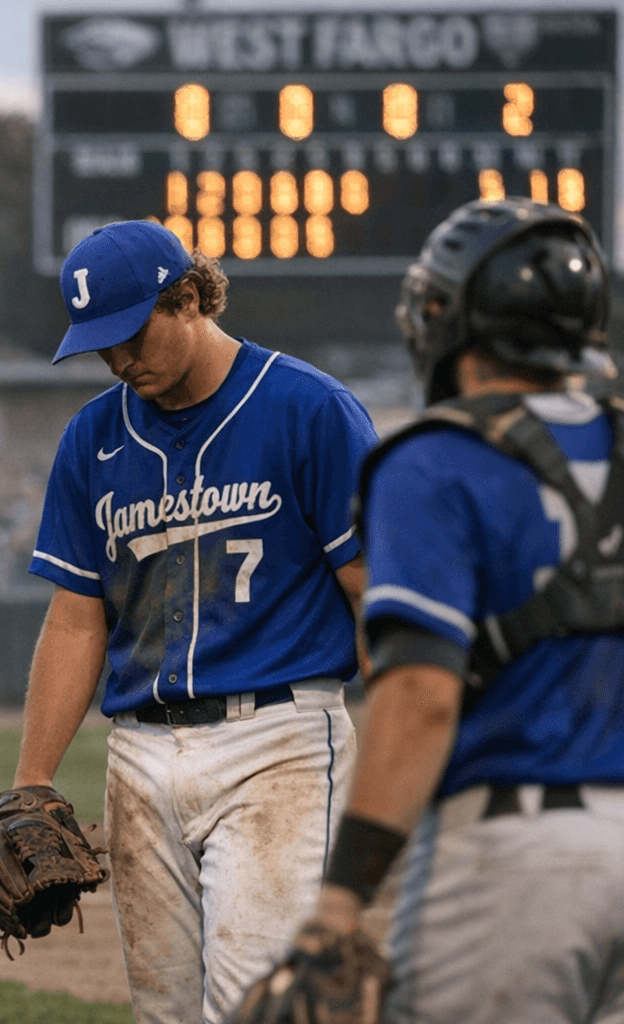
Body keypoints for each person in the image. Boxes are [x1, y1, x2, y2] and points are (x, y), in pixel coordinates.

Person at [6, 221, 377, 1023]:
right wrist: (32, 778)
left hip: (278, 743)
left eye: (129, 335)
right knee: (164, 1013)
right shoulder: (92, 441)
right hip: (139, 755)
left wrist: (411, 746)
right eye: (100, 346)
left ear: (187, 299)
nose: (117, 360)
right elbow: (76, 621)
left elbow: (371, 591)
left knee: (253, 1007)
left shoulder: (309, 409)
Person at [284, 198, 624, 1023]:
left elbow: (420, 698)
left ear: (450, 316)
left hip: (515, 855)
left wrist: (341, 901)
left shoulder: (433, 459)